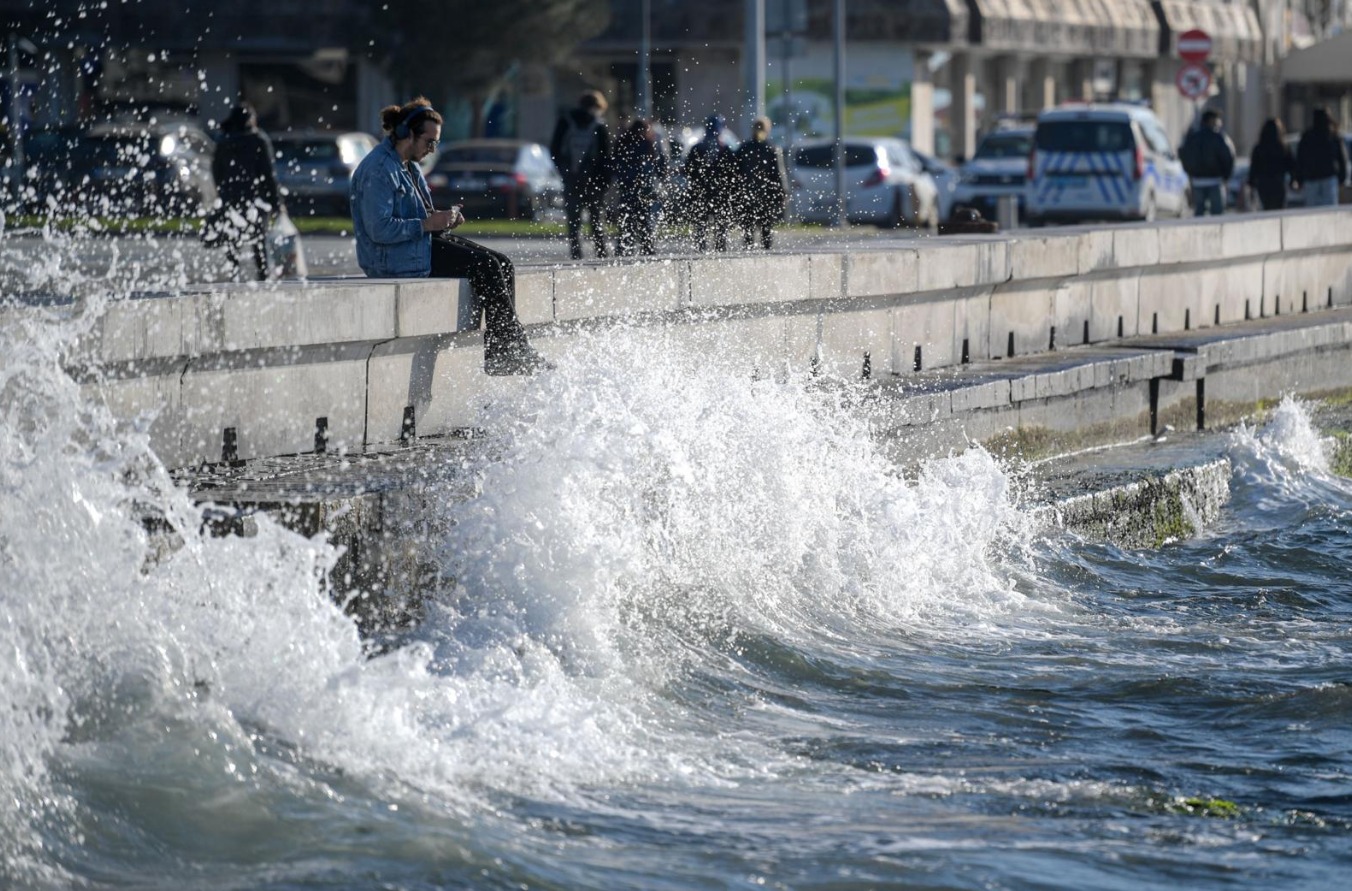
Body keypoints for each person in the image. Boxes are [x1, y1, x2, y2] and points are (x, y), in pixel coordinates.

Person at [350, 97, 546, 376]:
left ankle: (507, 350)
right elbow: (379, 229)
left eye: (436, 144)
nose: (432, 149)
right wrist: (428, 224)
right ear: (407, 134)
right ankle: (505, 354)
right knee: (487, 267)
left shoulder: (410, 166)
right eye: (429, 142)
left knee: (501, 262)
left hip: (415, 246)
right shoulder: (379, 170)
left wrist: (444, 219)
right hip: (392, 259)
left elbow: (422, 216)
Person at [209, 101, 281, 281]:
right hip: (254, 199)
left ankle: (234, 275)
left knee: (232, 240)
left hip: (230, 198)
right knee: (258, 240)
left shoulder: (224, 140)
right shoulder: (257, 140)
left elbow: (216, 170)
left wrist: (222, 192)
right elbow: (267, 174)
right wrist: (276, 203)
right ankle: (263, 276)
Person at [550, 90, 612, 260]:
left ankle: (576, 254)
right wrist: (605, 182)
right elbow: (606, 157)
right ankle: (601, 254)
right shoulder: (599, 125)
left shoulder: (565, 121)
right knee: (596, 220)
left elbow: (554, 149)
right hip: (594, 182)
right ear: (597, 106)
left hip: (571, 178)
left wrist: (564, 171)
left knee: (573, 221)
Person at [610, 117, 667, 256]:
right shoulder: (648, 143)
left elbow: (615, 165)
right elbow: (660, 165)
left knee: (626, 222)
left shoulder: (623, 143)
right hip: (645, 189)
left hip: (627, 188)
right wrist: (661, 180)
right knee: (645, 222)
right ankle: (647, 250)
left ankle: (623, 250)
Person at [683, 114, 739, 252]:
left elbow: (689, 171)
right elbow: (733, 174)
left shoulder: (697, 148)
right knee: (720, 230)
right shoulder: (726, 150)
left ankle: (701, 252)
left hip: (701, 193)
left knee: (702, 228)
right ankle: (719, 253)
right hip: (719, 194)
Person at [734, 116, 789, 249]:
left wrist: (735, 192)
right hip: (767, 196)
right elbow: (779, 174)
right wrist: (783, 193)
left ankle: (747, 256)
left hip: (747, 195)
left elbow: (735, 173)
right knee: (766, 229)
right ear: (768, 130)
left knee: (748, 231)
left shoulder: (744, 148)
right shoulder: (772, 149)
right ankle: (766, 255)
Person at [1178, 108, 1235, 217]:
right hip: (1216, 181)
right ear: (1211, 120)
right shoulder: (1219, 137)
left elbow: (1184, 156)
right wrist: (1226, 176)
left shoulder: (1192, 138)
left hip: (1197, 181)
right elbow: (1228, 157)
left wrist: (1191, 174)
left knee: (1199, 213)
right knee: (1217, 214)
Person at [1294, 106, 1349, 208]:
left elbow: (1300, 159)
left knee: (1312, 210)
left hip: (1311, 178)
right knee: (1330, 210)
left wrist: (1299, 178)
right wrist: (1342, 178)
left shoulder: (1307, 137)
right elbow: (1342, 158)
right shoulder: (1333, 136)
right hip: (1329, 177)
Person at [1247, 118, 1296, 211]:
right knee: (1279, 208)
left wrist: (1251, 183)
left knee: (1267, 208)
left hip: (1263, 183)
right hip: (1278, 182)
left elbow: (1254, 167)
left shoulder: (1259, 148)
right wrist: (1293, 179)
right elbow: (1291, 165)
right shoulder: (1283, 147)